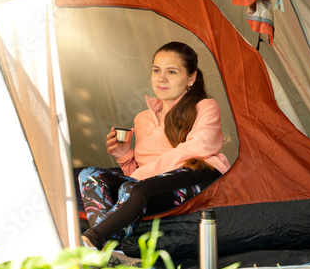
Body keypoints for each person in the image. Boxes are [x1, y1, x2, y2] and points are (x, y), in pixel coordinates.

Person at [78, 41, 231, 249]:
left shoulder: (205, 107)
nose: (161, 78)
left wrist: (139, 178)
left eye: (172, 72)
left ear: (191, 77)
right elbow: (138, 174)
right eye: (157, 70)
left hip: (198, 175)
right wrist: (125, 156)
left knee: (135, 188)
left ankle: (89, 242)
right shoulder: (142, 119)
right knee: (89, 174)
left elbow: (195, 148)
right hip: (151, 186)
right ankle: (112, 251)